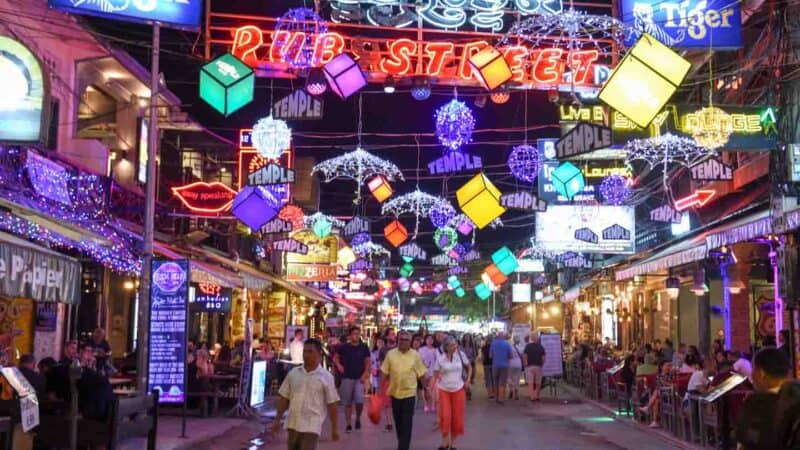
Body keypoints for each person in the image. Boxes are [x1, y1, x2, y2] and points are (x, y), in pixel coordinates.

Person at [272, 339, 340, 450]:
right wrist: (277, 420)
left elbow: (332, 404)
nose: (306, 355)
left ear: (319, 353)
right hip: (293, 424)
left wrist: (335, 428)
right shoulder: (293, 374)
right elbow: (284, 398)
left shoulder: (326, 377)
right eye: (305, 351)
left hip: (311, 426)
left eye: (310, 352)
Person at [380, 330, 429, 450]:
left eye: (405, 340)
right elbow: (384, 373)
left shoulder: (415, 355)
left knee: (407, 422)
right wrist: (380, 391)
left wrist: (426, 389)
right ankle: (402, 443)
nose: (402, 342)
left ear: (410, 342)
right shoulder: (391, 354)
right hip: (394, 393)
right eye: (400, 339)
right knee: (398, 422)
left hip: (409, 394)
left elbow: (422, 374)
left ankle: (403, 447)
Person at [735, 347, 791, 450]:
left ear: (761, 373)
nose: (751, 375)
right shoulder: (794, 397)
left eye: (753, 369)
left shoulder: (757, 404)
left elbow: (746, 442)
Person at [433, 336, 471, 450]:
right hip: (444, 390)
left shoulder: (460, 355)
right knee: (445, 416)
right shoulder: (440, 358)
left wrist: (468, 380)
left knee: (457, 417)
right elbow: (435, 374)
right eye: (453, 345)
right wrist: (437, 378)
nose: (456, 346)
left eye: (456, 344)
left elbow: (469, 367)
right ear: (446, 347)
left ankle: (453, 443)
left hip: (459, 389)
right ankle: (444, 442)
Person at [334, 326, 371, 433]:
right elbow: (336, 357)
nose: (356, 335)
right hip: (346, 377)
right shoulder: (344, 347)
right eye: (354, 333)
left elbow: (367, 361)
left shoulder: (364, 347)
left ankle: (358, 417)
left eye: (357, 333)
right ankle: (348, 423)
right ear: (350, 335)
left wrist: (365, 373)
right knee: (347, 402)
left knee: (359, 401)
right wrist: (339, 365)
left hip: (359, 378)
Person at [489, 331, 513, 405]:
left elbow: (490, 355)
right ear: (504, 336)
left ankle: (496, 397)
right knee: (502, 382)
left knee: (495, 382)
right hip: (504, 365)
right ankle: (501, 398)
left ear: (497, 336)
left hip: (495, 365)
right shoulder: (507, 344)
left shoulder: (493, 343)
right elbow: (511, 356)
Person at [523, 333, 546, 402]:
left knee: (530, 383)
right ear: (538, 339)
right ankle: (537, 396)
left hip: (529, 366)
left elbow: (524, 356)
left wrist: (525, 363)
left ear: (531, 339)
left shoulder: (527, 346)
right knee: (538, 382)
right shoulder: (541, 347)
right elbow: (543, 358)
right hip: (538, 366)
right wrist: (541, 364)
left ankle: (532, 397)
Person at [418, 335, 438, 413]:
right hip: (424, 372)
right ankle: (425, 404)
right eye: (428, 339)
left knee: (432, 389)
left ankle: (433, 404)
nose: (429, 340)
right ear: (425, 340)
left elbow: (437, 361)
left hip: (433, 371)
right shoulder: (421, 350)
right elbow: (419, 360)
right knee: (424, 389)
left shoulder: (435, 350)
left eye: (431, 339)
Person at [461, 334, 477, 399]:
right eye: (466, 337)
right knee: (464, 378)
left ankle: (468, 391)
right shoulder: (461, 346)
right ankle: (468, 392)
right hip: (463, 364)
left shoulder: (473, 346)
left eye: (468, 337)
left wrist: (471, 360)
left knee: (470, 378)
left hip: (471, 363)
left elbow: (475, 355)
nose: (467, 338)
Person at [507, 336, 523, 400]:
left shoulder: (510, 347)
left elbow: (508, 356)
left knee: (510, 378)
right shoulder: (521, 347)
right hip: (518, 364)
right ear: (519, 341)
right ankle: (516, 394)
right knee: (517, 379)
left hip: (510, 364)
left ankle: (511, 390)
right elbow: (523, 356)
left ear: (513, 340)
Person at [481, 335, 495, 399]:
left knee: (488, 379)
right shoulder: (494, 347)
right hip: (493, 364)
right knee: (493, 379)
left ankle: (490, 394)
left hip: (486, 364)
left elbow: (483, 357)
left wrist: (482, 362)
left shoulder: (483, 347)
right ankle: (494, 393)